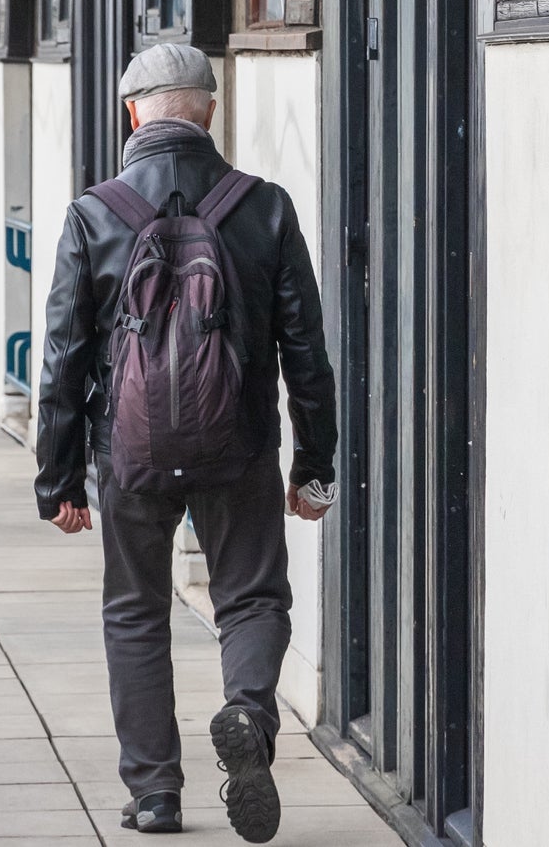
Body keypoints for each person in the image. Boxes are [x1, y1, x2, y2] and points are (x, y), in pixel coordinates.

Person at [35, 43, 339, 842]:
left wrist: (56, 477)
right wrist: (314, 466)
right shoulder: (263, 206)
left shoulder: (94, 212)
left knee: (135, 613)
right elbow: (305, 352)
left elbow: (64, 358)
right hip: (236, 446)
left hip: (127, 452)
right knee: (253, 598)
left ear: (133, 112)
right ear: (209, 107)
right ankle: (246, 712)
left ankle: (156, 796)